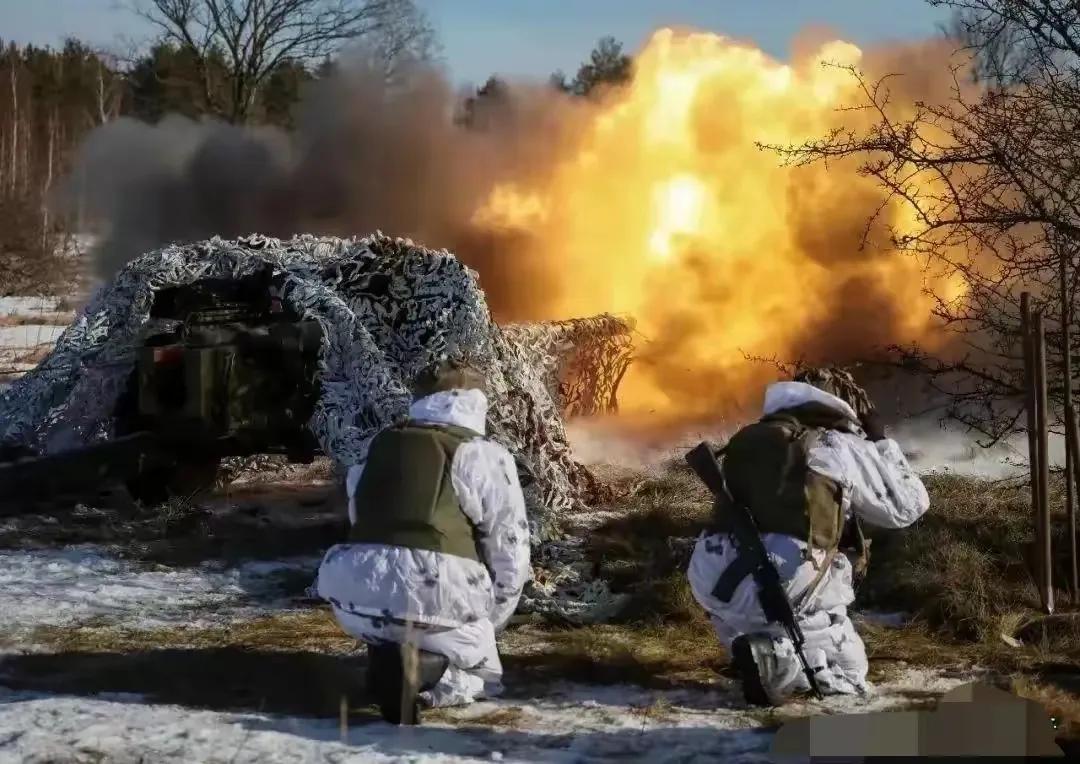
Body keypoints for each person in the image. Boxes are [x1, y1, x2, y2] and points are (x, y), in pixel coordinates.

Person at [687, 367, 930, 706]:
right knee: (848, 675)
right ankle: (779, 660)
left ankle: (755, 654)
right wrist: (881, 443)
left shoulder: (748, 437)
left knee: (746, 620)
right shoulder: (836, 443)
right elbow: (907, 507)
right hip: (783, 577)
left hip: (710, 576)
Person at [316, 360, 531, 725]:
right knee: (477, 670)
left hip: (353, 597)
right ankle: (418, 677)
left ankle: (387, 658)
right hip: (439, 599)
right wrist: (490, 620)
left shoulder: (379, 445)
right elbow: (510, 544)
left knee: (396, 624)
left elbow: (361, 516)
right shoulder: (483, 454)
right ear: (478, 402)